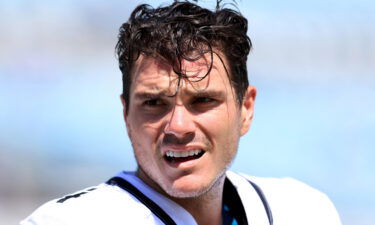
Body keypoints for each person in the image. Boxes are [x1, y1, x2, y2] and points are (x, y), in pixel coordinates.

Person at [20, 1, 342, 225]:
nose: (178, 126)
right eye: (154, 103)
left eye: (202, 101)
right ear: (126, 115)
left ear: (246, 108)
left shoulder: (303, 210)